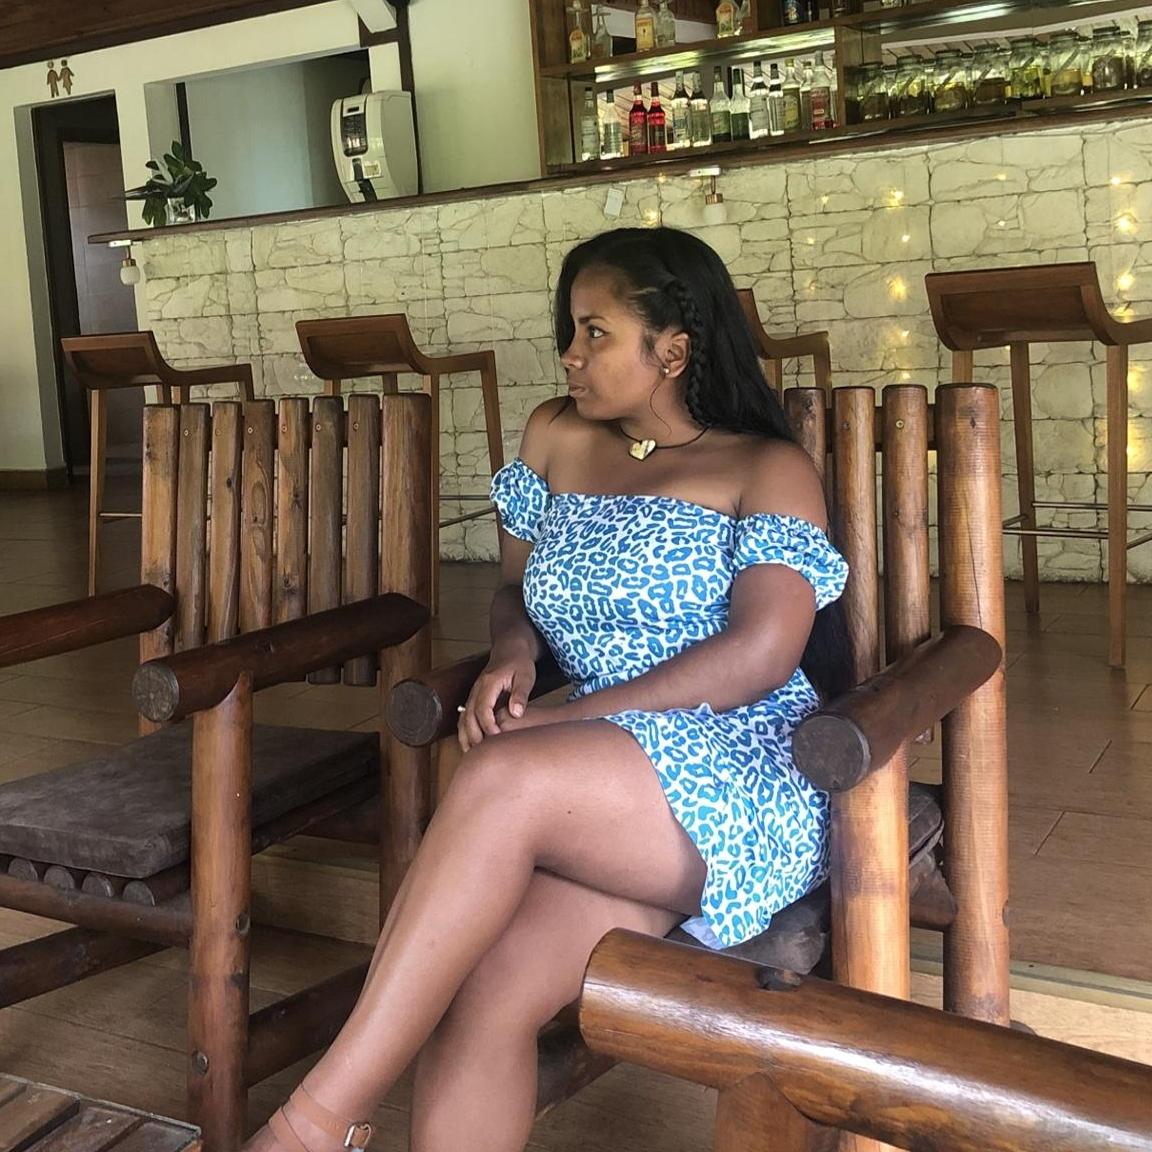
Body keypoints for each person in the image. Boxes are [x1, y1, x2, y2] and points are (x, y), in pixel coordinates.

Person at [245, 226, 851, 1152]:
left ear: (673, 350)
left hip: (737, 765)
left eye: (595, 333)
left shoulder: (764, 468)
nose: (569, 354)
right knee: (482, 995)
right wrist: (515, 653)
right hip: (594, 783)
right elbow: (513, 590)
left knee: (498, 772)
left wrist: (572, 718)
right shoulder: (555, 436)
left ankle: (312, 1127)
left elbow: (761, 655)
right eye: (570, 330)